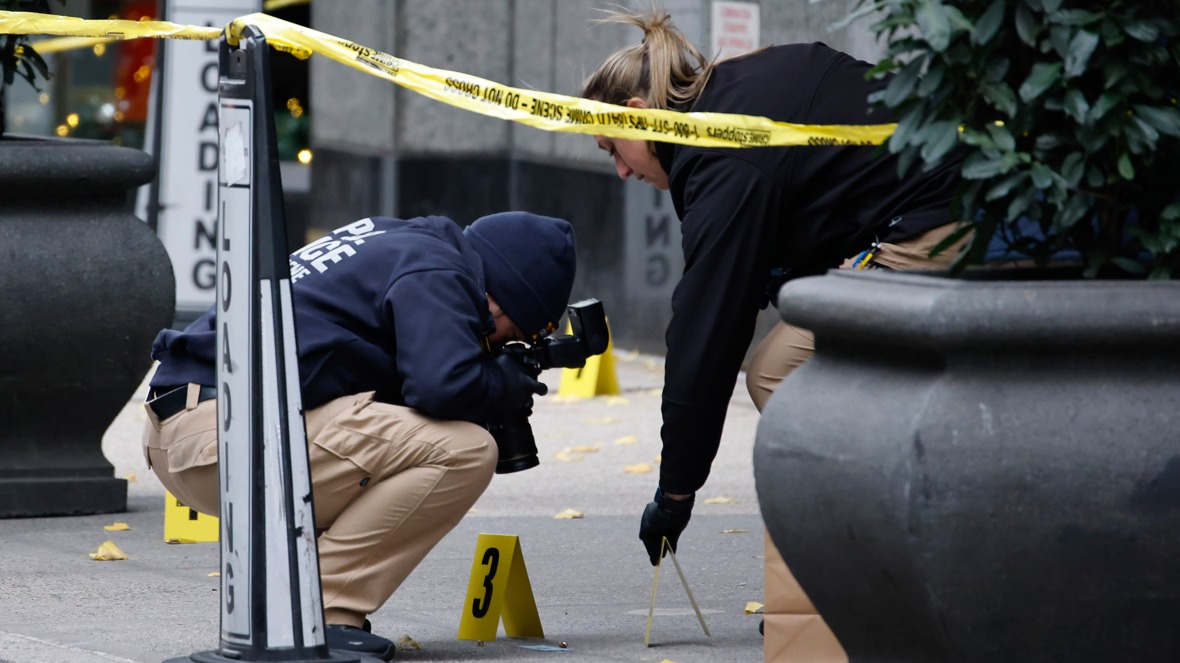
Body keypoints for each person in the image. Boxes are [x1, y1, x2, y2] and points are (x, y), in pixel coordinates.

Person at [578, 8, 967, 565]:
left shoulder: (719, 160)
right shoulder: (738, 91)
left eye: (612, 147)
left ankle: (870, 565)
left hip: (939, 220)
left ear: (639, 116)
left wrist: (675, 492)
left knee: (779, 371)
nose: (619, 170)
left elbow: (706, 332)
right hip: (947, 197)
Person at [141, 212, 577, 660]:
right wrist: (503, 383)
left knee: (402, 446)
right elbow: (440, 386)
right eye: (513, 336)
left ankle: (296, 602)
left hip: (191, 427)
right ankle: (321, 612)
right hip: (225, 436)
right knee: (464, 451)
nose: (500, 345)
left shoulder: (403, 240)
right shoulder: (439, 271)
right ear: (500, 303)